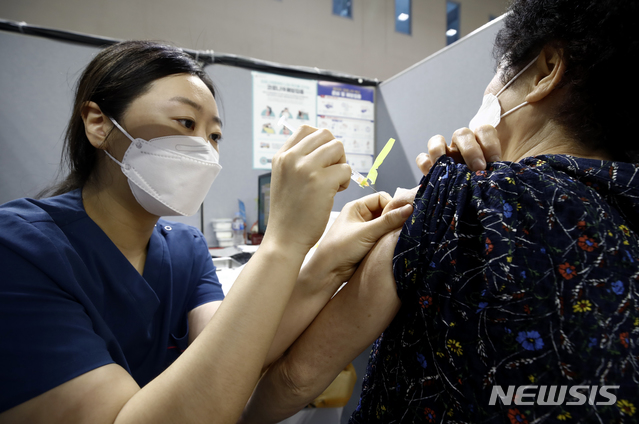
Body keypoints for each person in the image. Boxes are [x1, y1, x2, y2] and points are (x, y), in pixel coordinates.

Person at [239, 0, 639, 422]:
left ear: (545, 70)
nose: (488, 94)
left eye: (498, 75)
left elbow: (297, 379)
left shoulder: (457, 200)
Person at [0, 40, 414, 423]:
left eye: (213, 135)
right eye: (184, 122)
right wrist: (284, 240)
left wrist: (327, 261)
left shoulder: (185, 248)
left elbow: (238, 349)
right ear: (98, 124)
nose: (203, 149)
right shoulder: (20, 249)